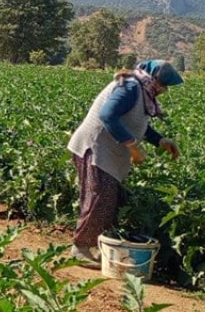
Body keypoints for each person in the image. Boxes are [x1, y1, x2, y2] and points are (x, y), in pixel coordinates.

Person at [66, 60, 183, 265]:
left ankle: (95, 246)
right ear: (152, 78)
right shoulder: (130, 87)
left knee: (109, 200)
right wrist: (133, 148)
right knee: (98, 199)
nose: (163, 90)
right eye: (163, 84)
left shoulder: (141, 92)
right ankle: (80, 248)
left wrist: (160, 140)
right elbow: (108, 115)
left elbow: (135, 122)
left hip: (107, 153)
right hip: (94, 148)